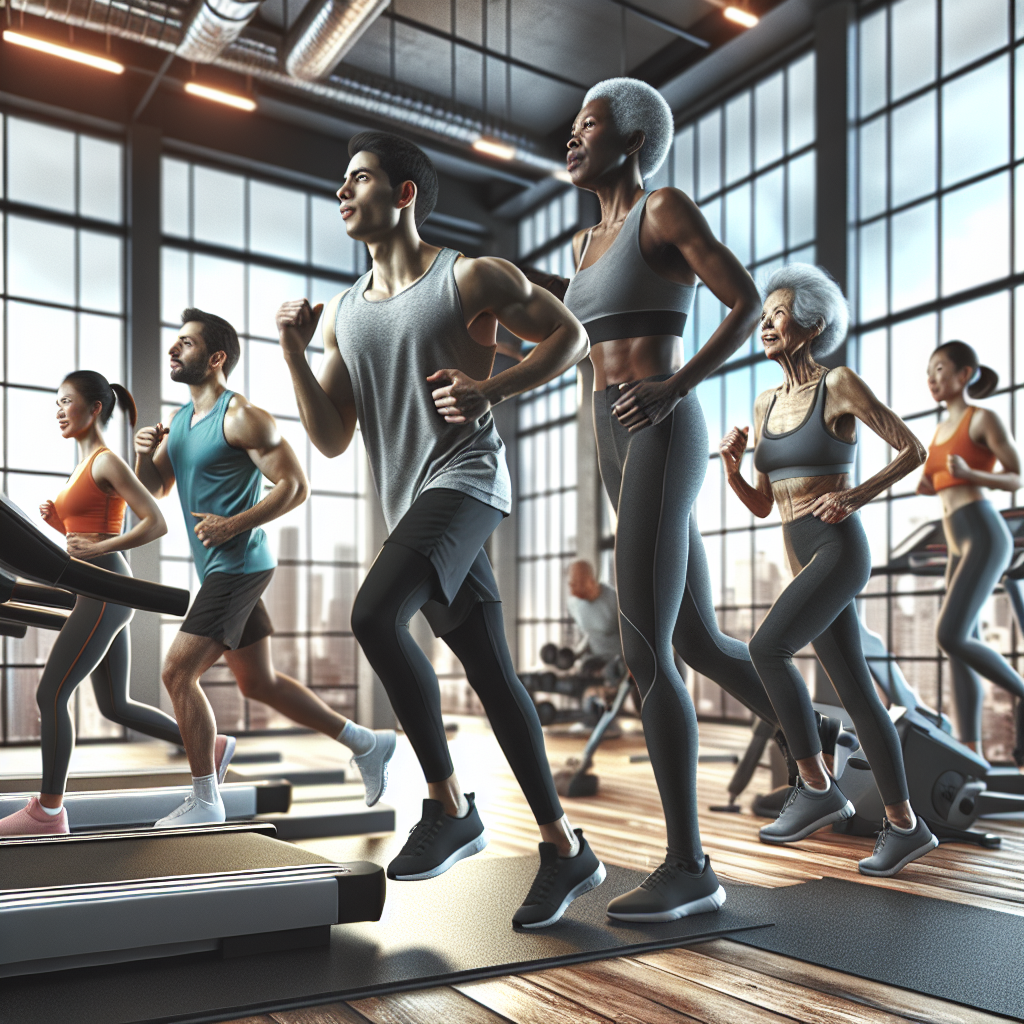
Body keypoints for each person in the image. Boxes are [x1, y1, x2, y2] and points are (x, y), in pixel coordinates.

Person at [276, 130, 603, 929]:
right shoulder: (347, 312)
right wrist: (290, 349)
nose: (343, 192)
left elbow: (571, 336)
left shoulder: (470, 275)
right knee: (495, 677)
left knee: (372, 615)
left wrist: (495, 385)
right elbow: (329, 434)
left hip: (466, 482)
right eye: (340, 182)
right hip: (411, 502)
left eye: (358, 179)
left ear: (406, 193)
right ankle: (567, 849)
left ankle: (447, 803)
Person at [561, 76, 804, 921]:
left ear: (630, 139)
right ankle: (823, 730)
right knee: (695, 639)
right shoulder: (584, 245)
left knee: (642, 652)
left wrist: (675, 387)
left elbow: (742, 302)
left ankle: (690, 865)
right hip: (613, 437)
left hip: (663, 424)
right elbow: (572, 348)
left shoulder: (661, 209)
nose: (571, 136)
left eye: (587, 124)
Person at [134, 309, 396, 827]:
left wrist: (233, 525)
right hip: (218, 568)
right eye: (174, 342)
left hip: (239, 565)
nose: (172, 350)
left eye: (184, 344)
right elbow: (154, 491)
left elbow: (295, 486)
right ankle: (368, 742)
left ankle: (207, 801)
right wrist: (144, 454)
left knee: (177, 671)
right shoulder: (182, 423)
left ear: (215, 359)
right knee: (260, 683)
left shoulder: (243, 417)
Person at [720, 263, 938, 876]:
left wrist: (853, 497)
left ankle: (816, 784)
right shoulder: (764, 403)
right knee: (860, 697)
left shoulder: (838, 384)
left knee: (767, 649)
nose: (765, 324)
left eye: (778, 314)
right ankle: (905, 827)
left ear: (812, 325)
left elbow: (912, 450)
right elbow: (767, 506)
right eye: (762, 315)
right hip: (800, 549)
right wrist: (734, 470)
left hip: (840, 549)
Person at [0, 371, 191, 836]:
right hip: (96, 587)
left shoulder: (106, 462)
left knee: (50, 694)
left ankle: (48, 812)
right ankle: (209, 742)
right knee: (116, 705)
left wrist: (101, 549)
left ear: (95, 408)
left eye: (67, 402)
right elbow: (82, 535)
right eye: (57, 404)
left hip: (105, 588)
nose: (60, 411)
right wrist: (57, 522)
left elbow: (156, 521)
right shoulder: (83, 465)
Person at [919, 341, 1024, 765]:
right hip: (956, 540)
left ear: (965, 374)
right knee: (960, 644)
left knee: (950, 633)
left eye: (940, 369)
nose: (932, 378)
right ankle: (969, 751)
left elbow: (1015, 476)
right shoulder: (940, 431)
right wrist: (930, 481)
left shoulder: (983, 419)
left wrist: (970, 473)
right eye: (929, 372)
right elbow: (931, 481)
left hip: (983, 532)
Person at [566, 559, 624, 683]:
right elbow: (589, 634)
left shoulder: (614, 600)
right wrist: (576, 653)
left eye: (576, 582)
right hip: (596, 662)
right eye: (571, 582)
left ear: (589, 580)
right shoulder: (573, 604)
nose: (571, 589)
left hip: (621, 662)